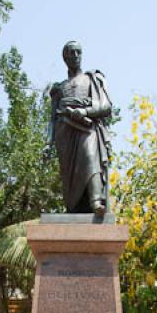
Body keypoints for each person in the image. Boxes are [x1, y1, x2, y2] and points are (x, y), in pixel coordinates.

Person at [47, 41, 112, 216]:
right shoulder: (58, 88)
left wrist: (84, 111)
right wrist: (48, 142)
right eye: (71, 53)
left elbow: (106, 107)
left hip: (86, 126)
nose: (75, 56)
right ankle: (74, 207)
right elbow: (52, 119)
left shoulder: (93, 79)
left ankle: (96, 201)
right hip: (64, 132)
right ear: (65, 57)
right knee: (69, 175)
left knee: (90, 155)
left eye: (78, 52)